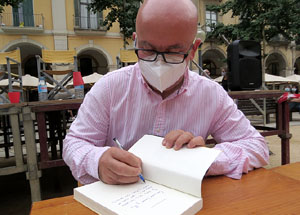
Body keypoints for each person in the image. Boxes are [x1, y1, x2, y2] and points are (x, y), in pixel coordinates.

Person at [63, 0, 268, 185]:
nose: (158, 62)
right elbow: (75, 143)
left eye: (173, 51)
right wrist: (97, 161)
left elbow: (257, 147)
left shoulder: (211, 94)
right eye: (147, 49)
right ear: (135, 41)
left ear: (193, 49)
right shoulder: (109, 88)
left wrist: (202, 160)